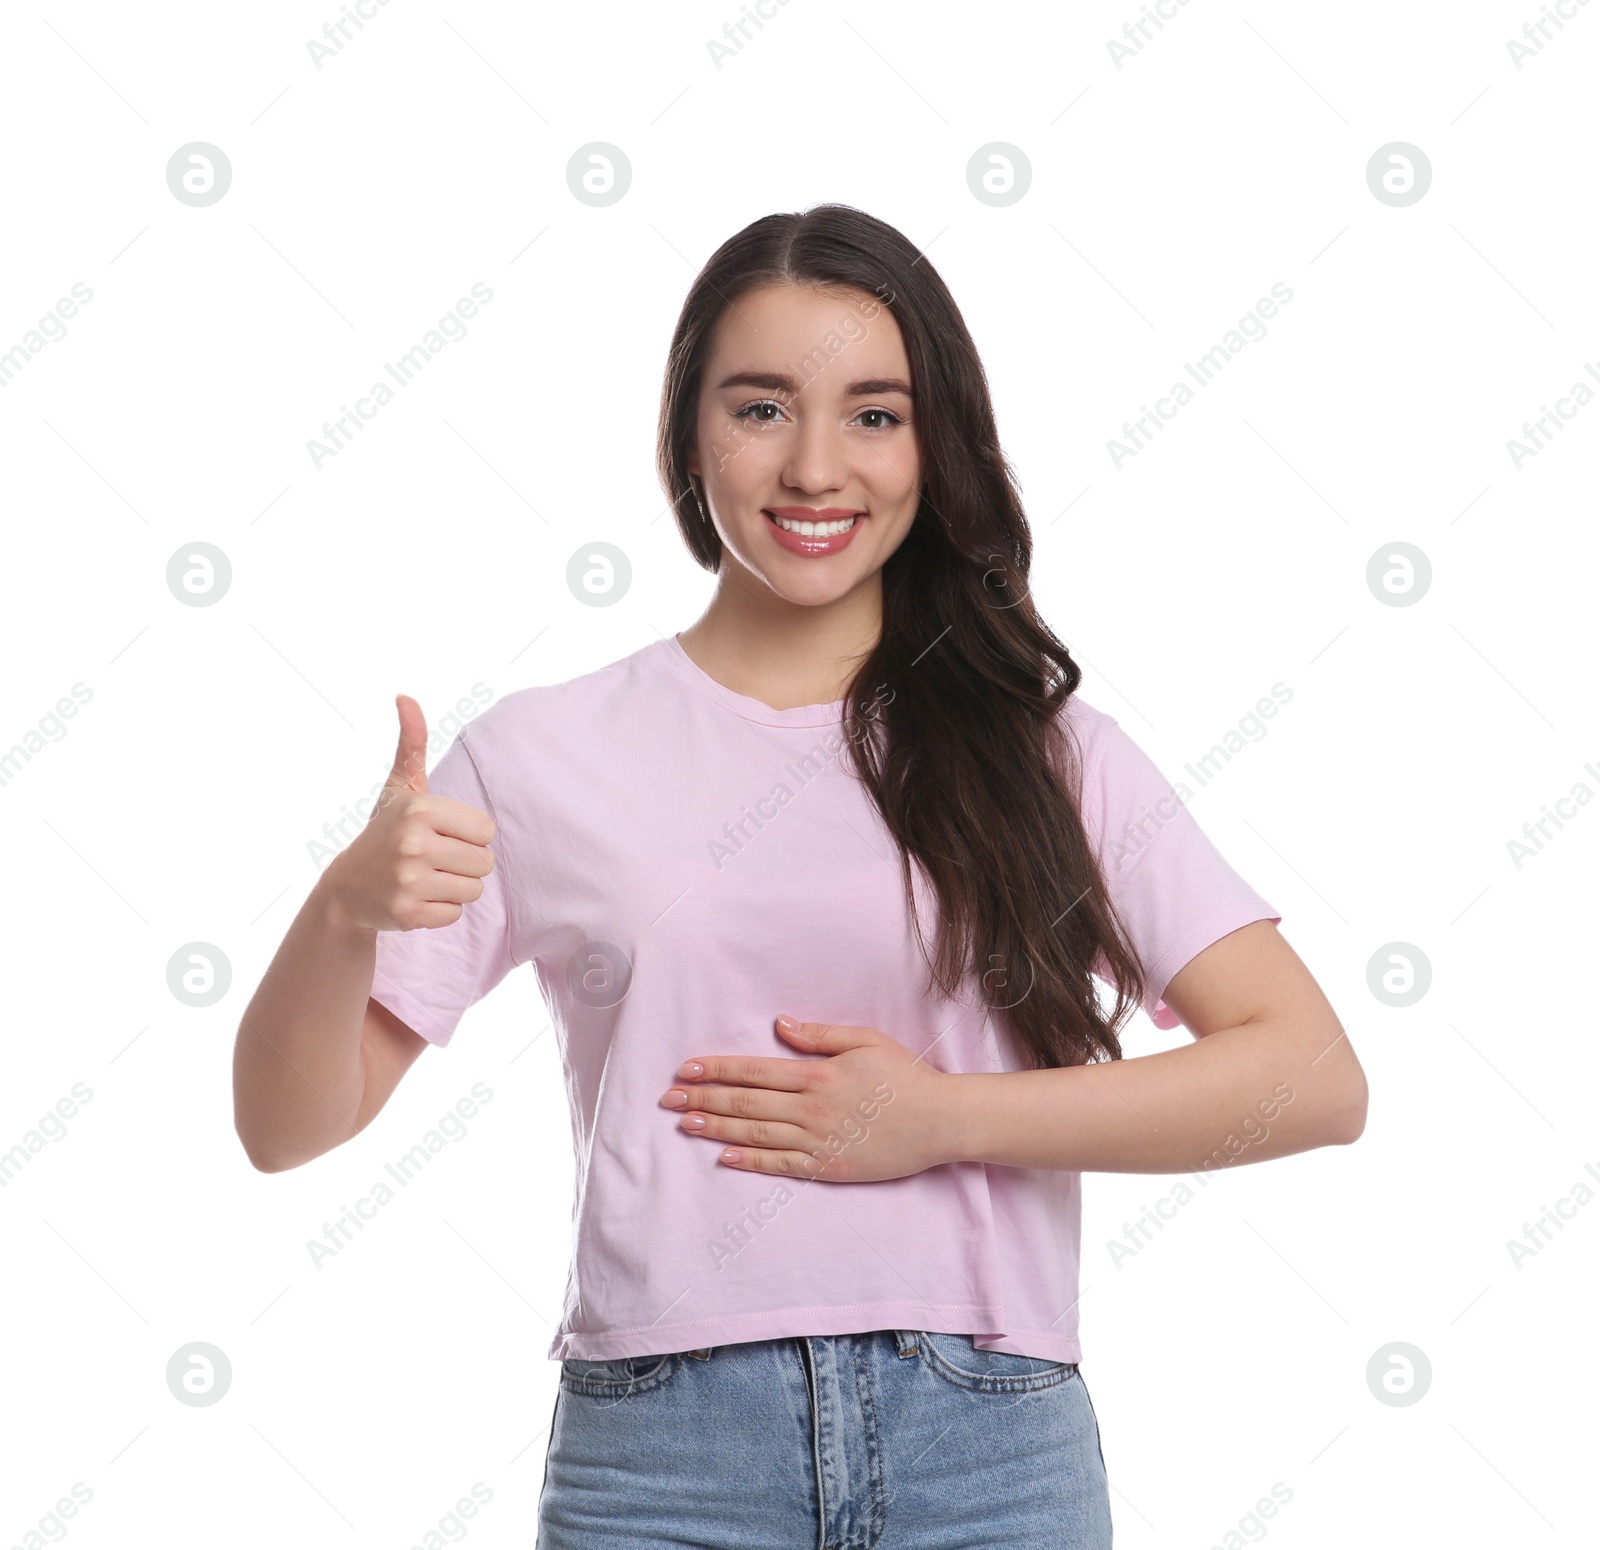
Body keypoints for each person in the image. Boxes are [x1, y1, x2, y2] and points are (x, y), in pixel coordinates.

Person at [233, 203, 1368, 1549]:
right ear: (686, 433)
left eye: (876, 415)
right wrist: (340, 910)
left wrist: (943, 1116)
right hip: (661, 1456)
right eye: (761, 407)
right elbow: (285, 1124)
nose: (817, 466)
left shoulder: (1041, 752)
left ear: (933, 441)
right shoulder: (540, 754)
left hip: (989, 1444)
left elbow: (1312, 1074)